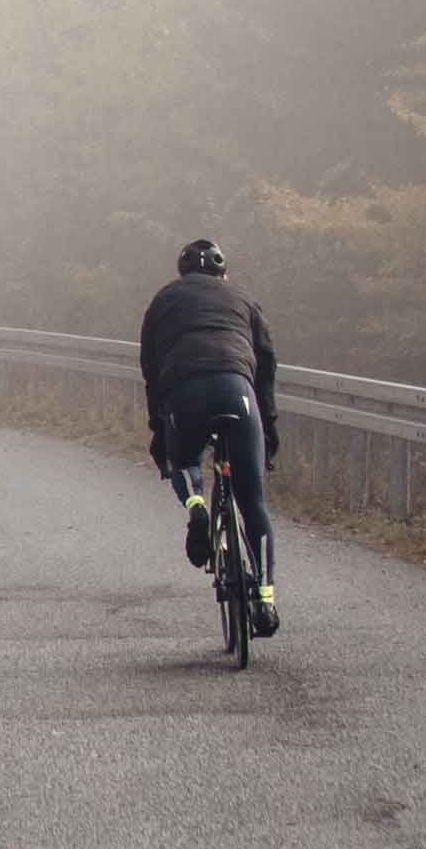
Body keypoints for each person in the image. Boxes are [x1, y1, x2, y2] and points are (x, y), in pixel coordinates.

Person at [139, 236, 281, 635]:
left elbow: (150, 371)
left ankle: (197, 505)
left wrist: (158, 431)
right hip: (238, 391)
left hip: (185, 392)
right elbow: (266, 368)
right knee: (252, 501)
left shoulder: (163, 301)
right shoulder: (244, 300)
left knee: (184, 459)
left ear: (181, 272)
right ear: (223, 272)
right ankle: (266, 600)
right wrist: (268, 431)